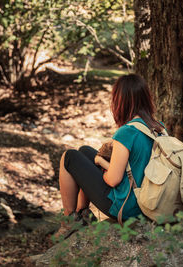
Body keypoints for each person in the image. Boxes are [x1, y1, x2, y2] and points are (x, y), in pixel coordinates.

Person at [54, 74, 165, 239]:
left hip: (128, 208)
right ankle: (81, 214)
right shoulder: (158, 127)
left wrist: (100, 162)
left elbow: (113, 180)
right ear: (146, 98)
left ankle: (69, 220)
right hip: (150, 201)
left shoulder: (127, 132)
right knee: (84, 151)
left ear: (121, 101)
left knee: (69, 157)